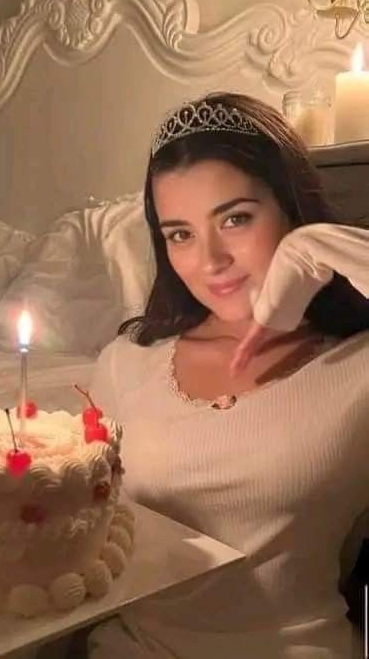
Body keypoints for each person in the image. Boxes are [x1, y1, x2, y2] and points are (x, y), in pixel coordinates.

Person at [86, 92, 369, 659]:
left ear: (292, 208)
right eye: (180, 234)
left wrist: (331, 248)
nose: (209, 260)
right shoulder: (126, 361)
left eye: (235, 218)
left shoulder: (358, 366)